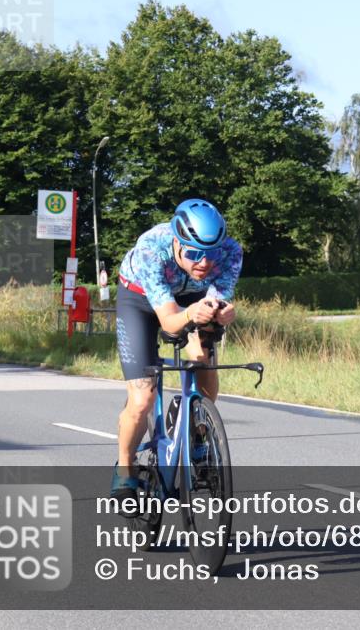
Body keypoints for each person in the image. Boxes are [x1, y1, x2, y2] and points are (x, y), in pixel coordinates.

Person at [110, 198, 242, 501]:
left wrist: (221, 312)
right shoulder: (150, 251)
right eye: (194, 253)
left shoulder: (231, 252)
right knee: (142, 399)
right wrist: (190, 314)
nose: (204, 262)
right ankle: (125, 471)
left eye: (211, 254)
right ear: (177, 242)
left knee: (202, 363)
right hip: (140, 299)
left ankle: (197, 432)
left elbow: (214, 301)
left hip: (191, 296)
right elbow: (170, 322)